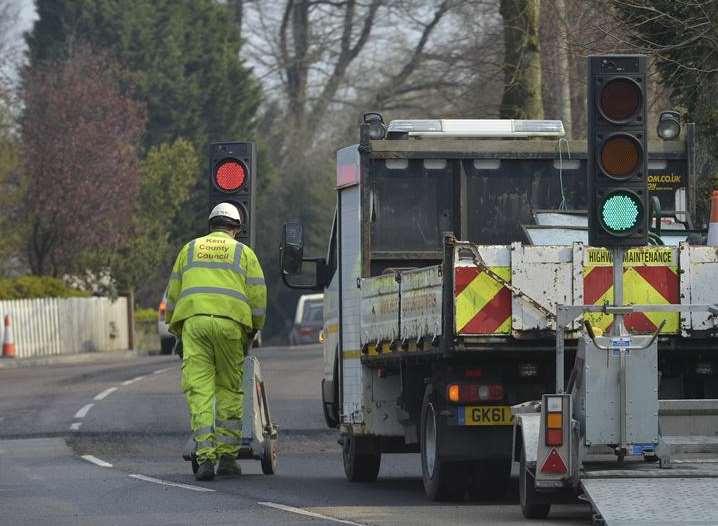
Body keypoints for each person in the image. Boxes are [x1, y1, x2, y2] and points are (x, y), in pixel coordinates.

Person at [166, 202, 266, 481]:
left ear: (211, 226)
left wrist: (177, 330)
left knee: (200, 392)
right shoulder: (244, 253)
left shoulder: (189, 249)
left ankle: (205, 458)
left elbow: (173, 293)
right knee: (229, 391)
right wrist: (254, 329)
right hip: (230, 326)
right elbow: (258, 296)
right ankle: (227, 459)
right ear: (235, 229)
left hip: (194, 324)